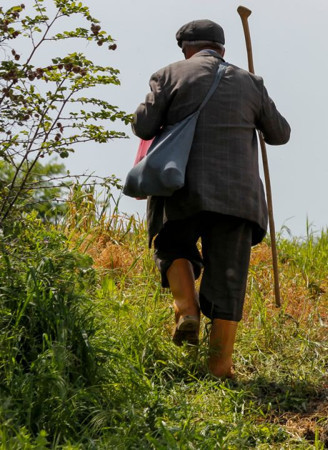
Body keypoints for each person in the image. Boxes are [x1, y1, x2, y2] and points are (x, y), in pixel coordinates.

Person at [131, 19, 290, 379]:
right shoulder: (251, 82)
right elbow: (280, 134)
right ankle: (219, 367)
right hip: (239, 199)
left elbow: (143, 125)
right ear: (222, 50)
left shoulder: (169, 74)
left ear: (187, 48)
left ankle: (187, 309)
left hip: (180, 186)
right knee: (228, 279)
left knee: (171, 242)